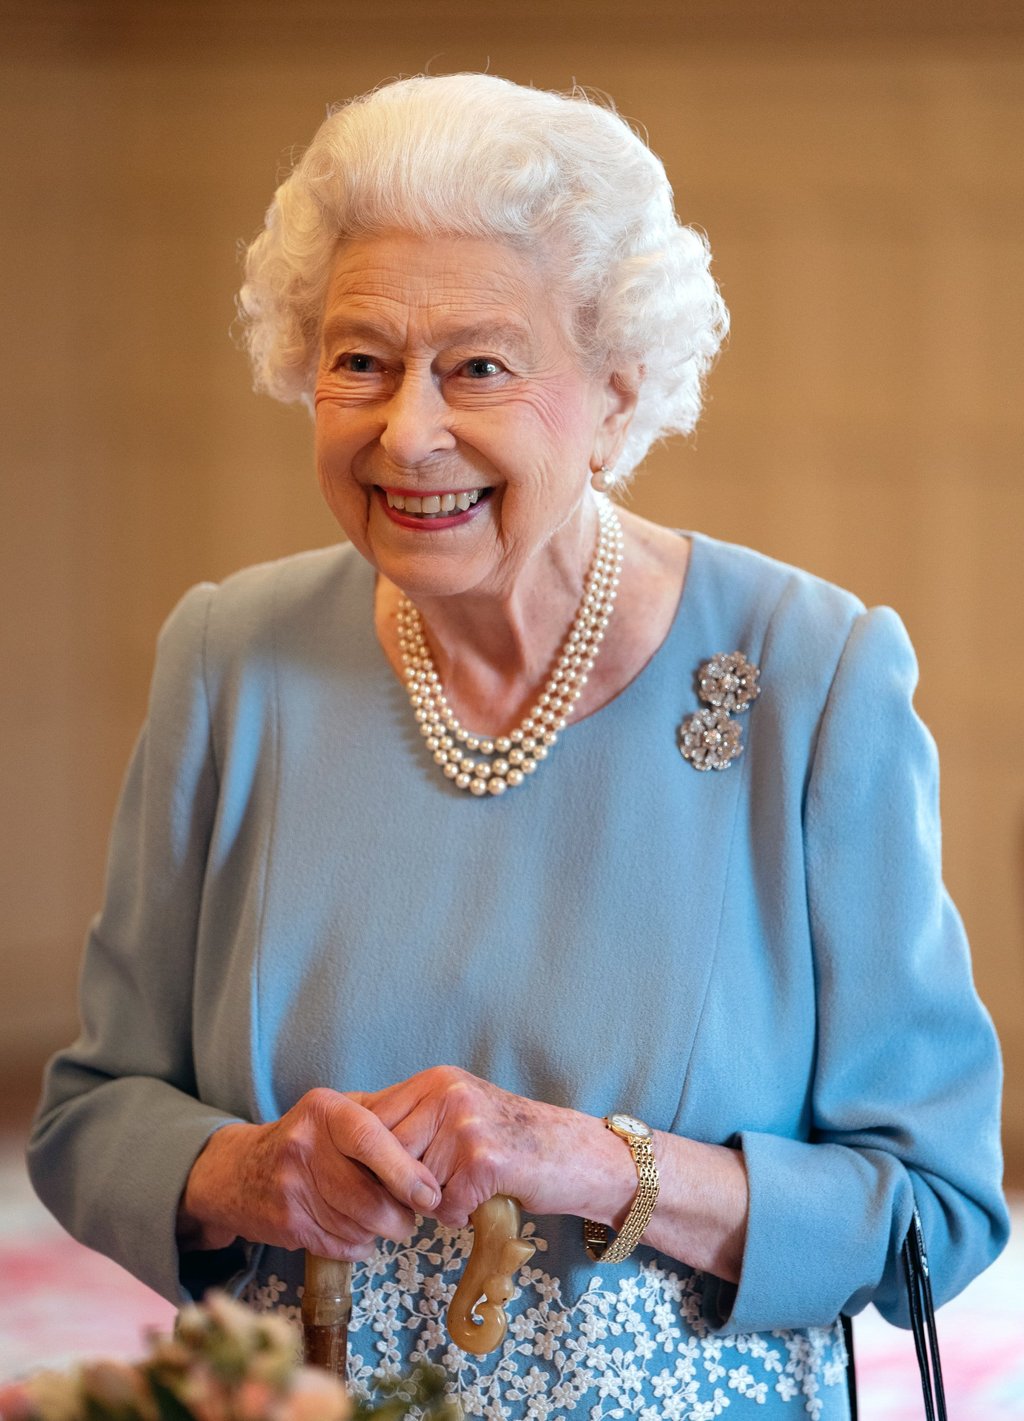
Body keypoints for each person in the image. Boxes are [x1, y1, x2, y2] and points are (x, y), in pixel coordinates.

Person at [29, 73, 1007, 1418]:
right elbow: (90, 1119)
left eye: (479, 365)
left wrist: (604, 1163)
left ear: (619, 392)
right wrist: (246, 1172)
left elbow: (936, 1207)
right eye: (359, 359)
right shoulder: (229, 655)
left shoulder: (809, 673)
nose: (406, 430)